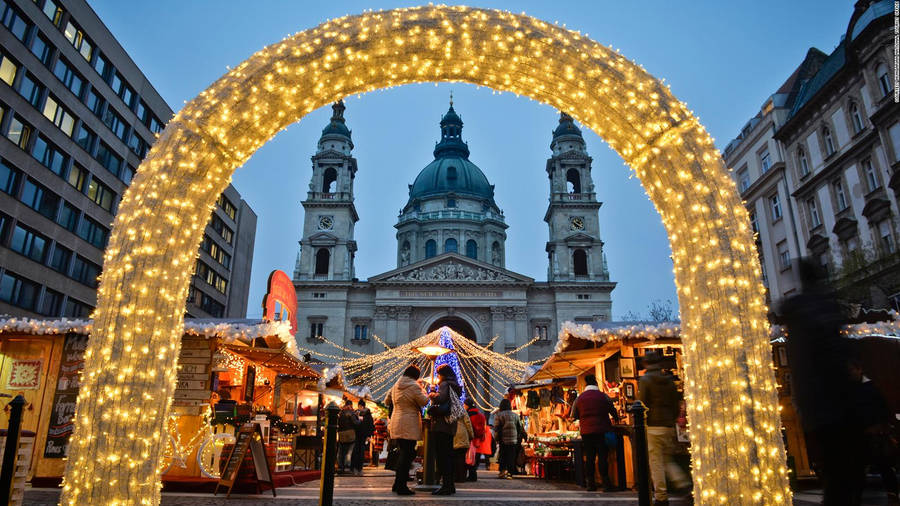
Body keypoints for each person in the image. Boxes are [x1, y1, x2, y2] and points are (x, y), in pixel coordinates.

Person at [778, 258, 862, 505]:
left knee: (835, 472)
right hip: (837, 402)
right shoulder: (824, 307)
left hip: (812, 407)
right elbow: (835, 352)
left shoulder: (794, 313)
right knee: (847, 472)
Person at [637, 354, 688, 505]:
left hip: (653, 425)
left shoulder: (646, 381)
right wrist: (672, 420)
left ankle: (661, 496)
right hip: (668, 425)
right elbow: (675, 404)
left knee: (656, 462)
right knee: (667, 460)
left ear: (646, 364)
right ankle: (684, 484)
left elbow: (642, 403)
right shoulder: (669, 381)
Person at [849, 359, 899, 504]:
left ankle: (892, 495)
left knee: (882, 466)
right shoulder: (861, 388)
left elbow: (881, 409)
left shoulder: (869, 388)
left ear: (859, 370)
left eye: (852, 370)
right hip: (863, 434)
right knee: (863, 468)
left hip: (874, 434)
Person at [384, 364, 428, 495]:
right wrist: (426, 390)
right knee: (407, 455)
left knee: (403, 453)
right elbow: (424, 401)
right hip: (409, 423)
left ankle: (397, 484)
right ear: (416, 376)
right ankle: (402, 486)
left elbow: (387, 401)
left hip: (397, 421)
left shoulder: (396, 385)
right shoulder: (414, 386)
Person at [571, 374, 620, 492]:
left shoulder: (580, 398)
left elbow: (574, 415)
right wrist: (615, 418)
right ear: (596, 384)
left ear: (586, 385)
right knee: (603, 457)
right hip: (602, 430)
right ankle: (606, 483)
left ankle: (590, 484)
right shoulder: (603, 396)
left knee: (590, 457)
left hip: (586, 431)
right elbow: (613, 411)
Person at [428, 364, 463, 495]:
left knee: (442, 457)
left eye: (438, 374)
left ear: (442, 374)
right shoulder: (454, 384)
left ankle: (446, 486)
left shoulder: (444, 384)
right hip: (450, 425)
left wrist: (432, 393)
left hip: (442, 425)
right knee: (448, 456)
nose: (437, 377)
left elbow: (441, 398)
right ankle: (449, 484)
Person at [492, 398, 519, 479]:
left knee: (503, 455)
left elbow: (496, 428)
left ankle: (502, 472)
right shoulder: (515, 415)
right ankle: (510, 473)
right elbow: (519, 427)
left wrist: (496, 439)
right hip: (513, 439)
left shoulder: (499, 415)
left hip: (503, 439)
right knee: (511, 456)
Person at [453, 397, 475, 483]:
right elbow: (468, 424)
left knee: (453, 458)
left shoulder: (449, 410)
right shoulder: (462, 411)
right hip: (462, 435)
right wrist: (471, 435)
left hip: (453, 435)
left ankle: (454, 476)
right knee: (461, 458)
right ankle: (461, 477)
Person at [465, 398, 488, 481]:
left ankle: (471, 476)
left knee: (469, 458)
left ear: (467, 405)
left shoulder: (468, 415)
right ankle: (473, 475)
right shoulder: (481, 415)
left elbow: (469, 427)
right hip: (478, 440)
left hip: (471, 439)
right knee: (475, 459)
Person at [352, 399, 375, 475]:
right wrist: (369, 435)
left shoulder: (363, 414)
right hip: (362, 436)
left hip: (359, 435)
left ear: (361, 406)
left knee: (358, 452)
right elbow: (371, 426)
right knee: (359, 452)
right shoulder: (367, 414)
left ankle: (357, 468)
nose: (358, 408)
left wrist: (368, 435)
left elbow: (370, 425)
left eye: (359, 406)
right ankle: (358, 469)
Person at [337, 398, 359, 475]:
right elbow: (356, 423)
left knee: (341, 451)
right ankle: (347, 466)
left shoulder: (340, 413)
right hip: (350, 433)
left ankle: (341, 467)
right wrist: (358, 418)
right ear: (350, 405)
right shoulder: (351, 413)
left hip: (341, 433)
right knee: (349, 451)